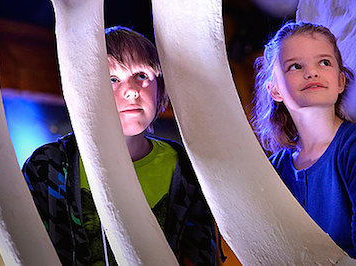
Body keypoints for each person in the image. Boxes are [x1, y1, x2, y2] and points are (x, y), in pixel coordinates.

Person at [22, 26, 217, 265]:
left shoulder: (187, 169)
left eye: (142, 76)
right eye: (113, 79)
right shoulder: (48, 166)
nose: (132, 91)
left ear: (161, 86)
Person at [252, 21, 356, 264]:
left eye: (324, 62)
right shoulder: (274, 169)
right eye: (296, 66)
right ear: (275, 90)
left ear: (340, 81)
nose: (312, 72)